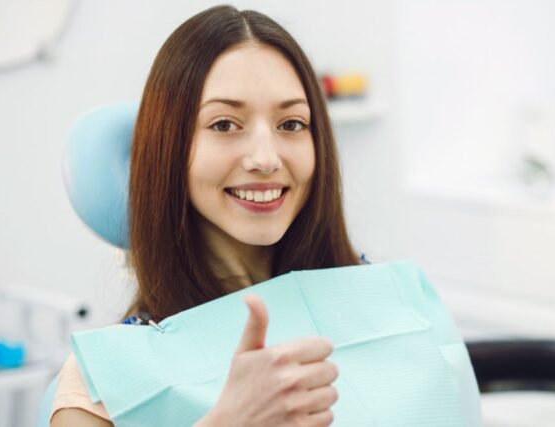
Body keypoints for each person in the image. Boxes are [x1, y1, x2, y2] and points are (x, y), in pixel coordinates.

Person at [51, 5, 360, 426]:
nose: (266, 159)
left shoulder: (378, 299)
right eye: (224, 124)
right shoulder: (102, 380)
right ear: (169, 149)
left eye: (290, 124)